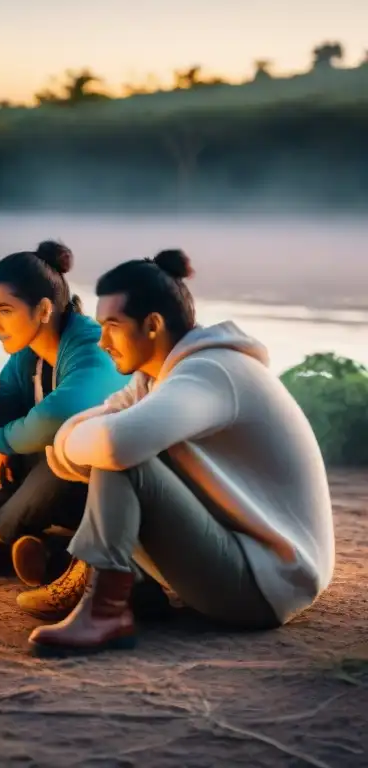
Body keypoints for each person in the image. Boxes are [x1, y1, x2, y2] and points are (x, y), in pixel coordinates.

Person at [26, 249, 335, 656]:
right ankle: (133, 587)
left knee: (123, 456)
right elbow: (81, 433)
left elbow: (113, 444)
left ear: (153, 325)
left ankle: (104, 612)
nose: (102, 342)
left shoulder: (210, 372)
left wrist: (78, 442)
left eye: (112, 327)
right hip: (249, 562)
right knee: (119, 444)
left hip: (265, 584)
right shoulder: (156, 378)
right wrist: (76, 441)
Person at [0, 241, 127, 585]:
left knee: (65, 444)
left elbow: (66, 411)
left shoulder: (92, 345)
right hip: (45, 495)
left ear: (42, 310)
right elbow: (4, 400)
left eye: (5, 310)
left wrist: (4, 441)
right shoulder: (30, 354)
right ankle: (26, 542)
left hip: (100, 490)